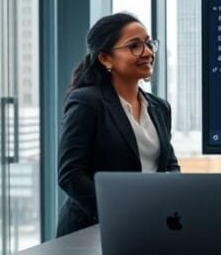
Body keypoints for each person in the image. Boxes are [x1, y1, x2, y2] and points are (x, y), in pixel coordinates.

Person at [57, 13, 180, 237]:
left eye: (148, 44)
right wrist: (118, 211)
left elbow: (169, 165)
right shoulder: (87, 102)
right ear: (106, 58)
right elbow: (70, 175)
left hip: (149, 225)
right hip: (91, 228)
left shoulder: (160, 108)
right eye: (134, 46)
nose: (148, 53)